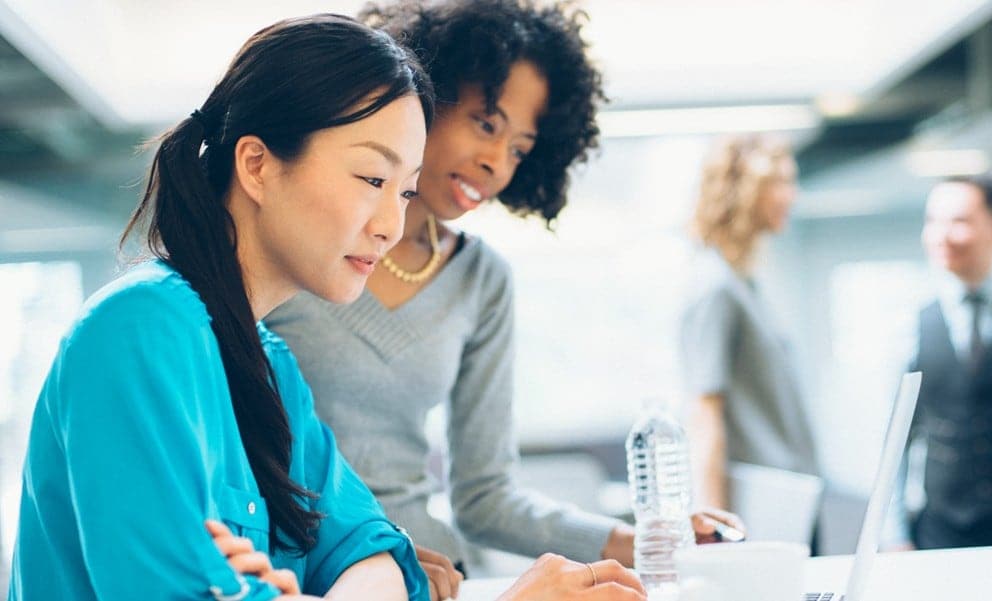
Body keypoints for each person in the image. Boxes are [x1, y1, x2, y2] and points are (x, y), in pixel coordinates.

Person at [7, 14, 645, 601]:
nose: (391, 225)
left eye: (406, 191)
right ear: (257, 165)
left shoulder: (272, 367)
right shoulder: (138, 332)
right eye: (372, 180)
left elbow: (379, 556)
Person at [264, 3, 738, 597]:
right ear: (421, 97)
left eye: (520, 148)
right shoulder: (297, 247)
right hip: (300, 569)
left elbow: (485, 496)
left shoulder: (481, 280)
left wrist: (644, 540)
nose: (497, 163)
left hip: (432, 574)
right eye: (487, 124)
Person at [882, 176, 992, 551]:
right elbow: (894, 442)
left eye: (958, 221)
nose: (941, 235)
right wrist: (894, 534)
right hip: (941, 534)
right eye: (932, 221)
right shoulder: (910, 326)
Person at [680, 134, 819, 513]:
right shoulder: (715, 286)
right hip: (758, 510)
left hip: (788, 498)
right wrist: (715, 527)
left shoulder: (745, 284)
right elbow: (705, 415)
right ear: (744, 190)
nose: (792, 196)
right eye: (781, 183)